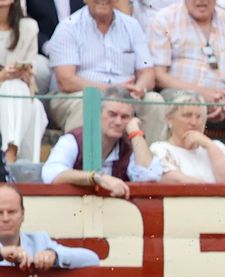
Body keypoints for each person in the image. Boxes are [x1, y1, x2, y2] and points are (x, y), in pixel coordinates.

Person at [147, 0, 225, 151]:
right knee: (171, 97)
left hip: (223, 105)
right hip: (183, 97)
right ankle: (170, 164)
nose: (201, 1)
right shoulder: (164, 19)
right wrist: (201, 95)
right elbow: (158, 75)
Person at [45, 0, 167, 141]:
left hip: (127, 95)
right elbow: (66, 81)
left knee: (154, 101)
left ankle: (150, 161)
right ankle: (83, 161)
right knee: (88, 101)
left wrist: (139, 88)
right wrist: (111, 91)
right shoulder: (68, 27)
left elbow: (147, 72)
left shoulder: (131, 25)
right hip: (80, 93)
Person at [41, 86, 161, 196]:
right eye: (112, 115)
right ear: (98, 114)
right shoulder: (74, 140)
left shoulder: (128, 146)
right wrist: (97, 178)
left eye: (125, 117)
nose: (118, 122)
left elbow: (150, 178)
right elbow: (51, 175)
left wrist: (135, 133)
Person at [150, 89, 225, 182]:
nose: (194, 122)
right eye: (187, 115)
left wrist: (208, 144)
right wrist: (213, 193)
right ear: (169, 119)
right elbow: (175, 181)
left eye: (199, 117)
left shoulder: (216, 146)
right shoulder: (160, 149)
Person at [0, 185, 101, 271]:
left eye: (12, 212)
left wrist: (55, 256)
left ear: (22, 215)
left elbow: (92, 259)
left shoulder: (39, 240)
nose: (6, 218)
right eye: (0, 213)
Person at [0, 0, 45, 164]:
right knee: (13, 87)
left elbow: (26, 69)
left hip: (16, 93)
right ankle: (10, 155)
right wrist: (2, 76)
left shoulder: (28, 27)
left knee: (36, 109)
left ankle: (23, 169)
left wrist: (25, 73)